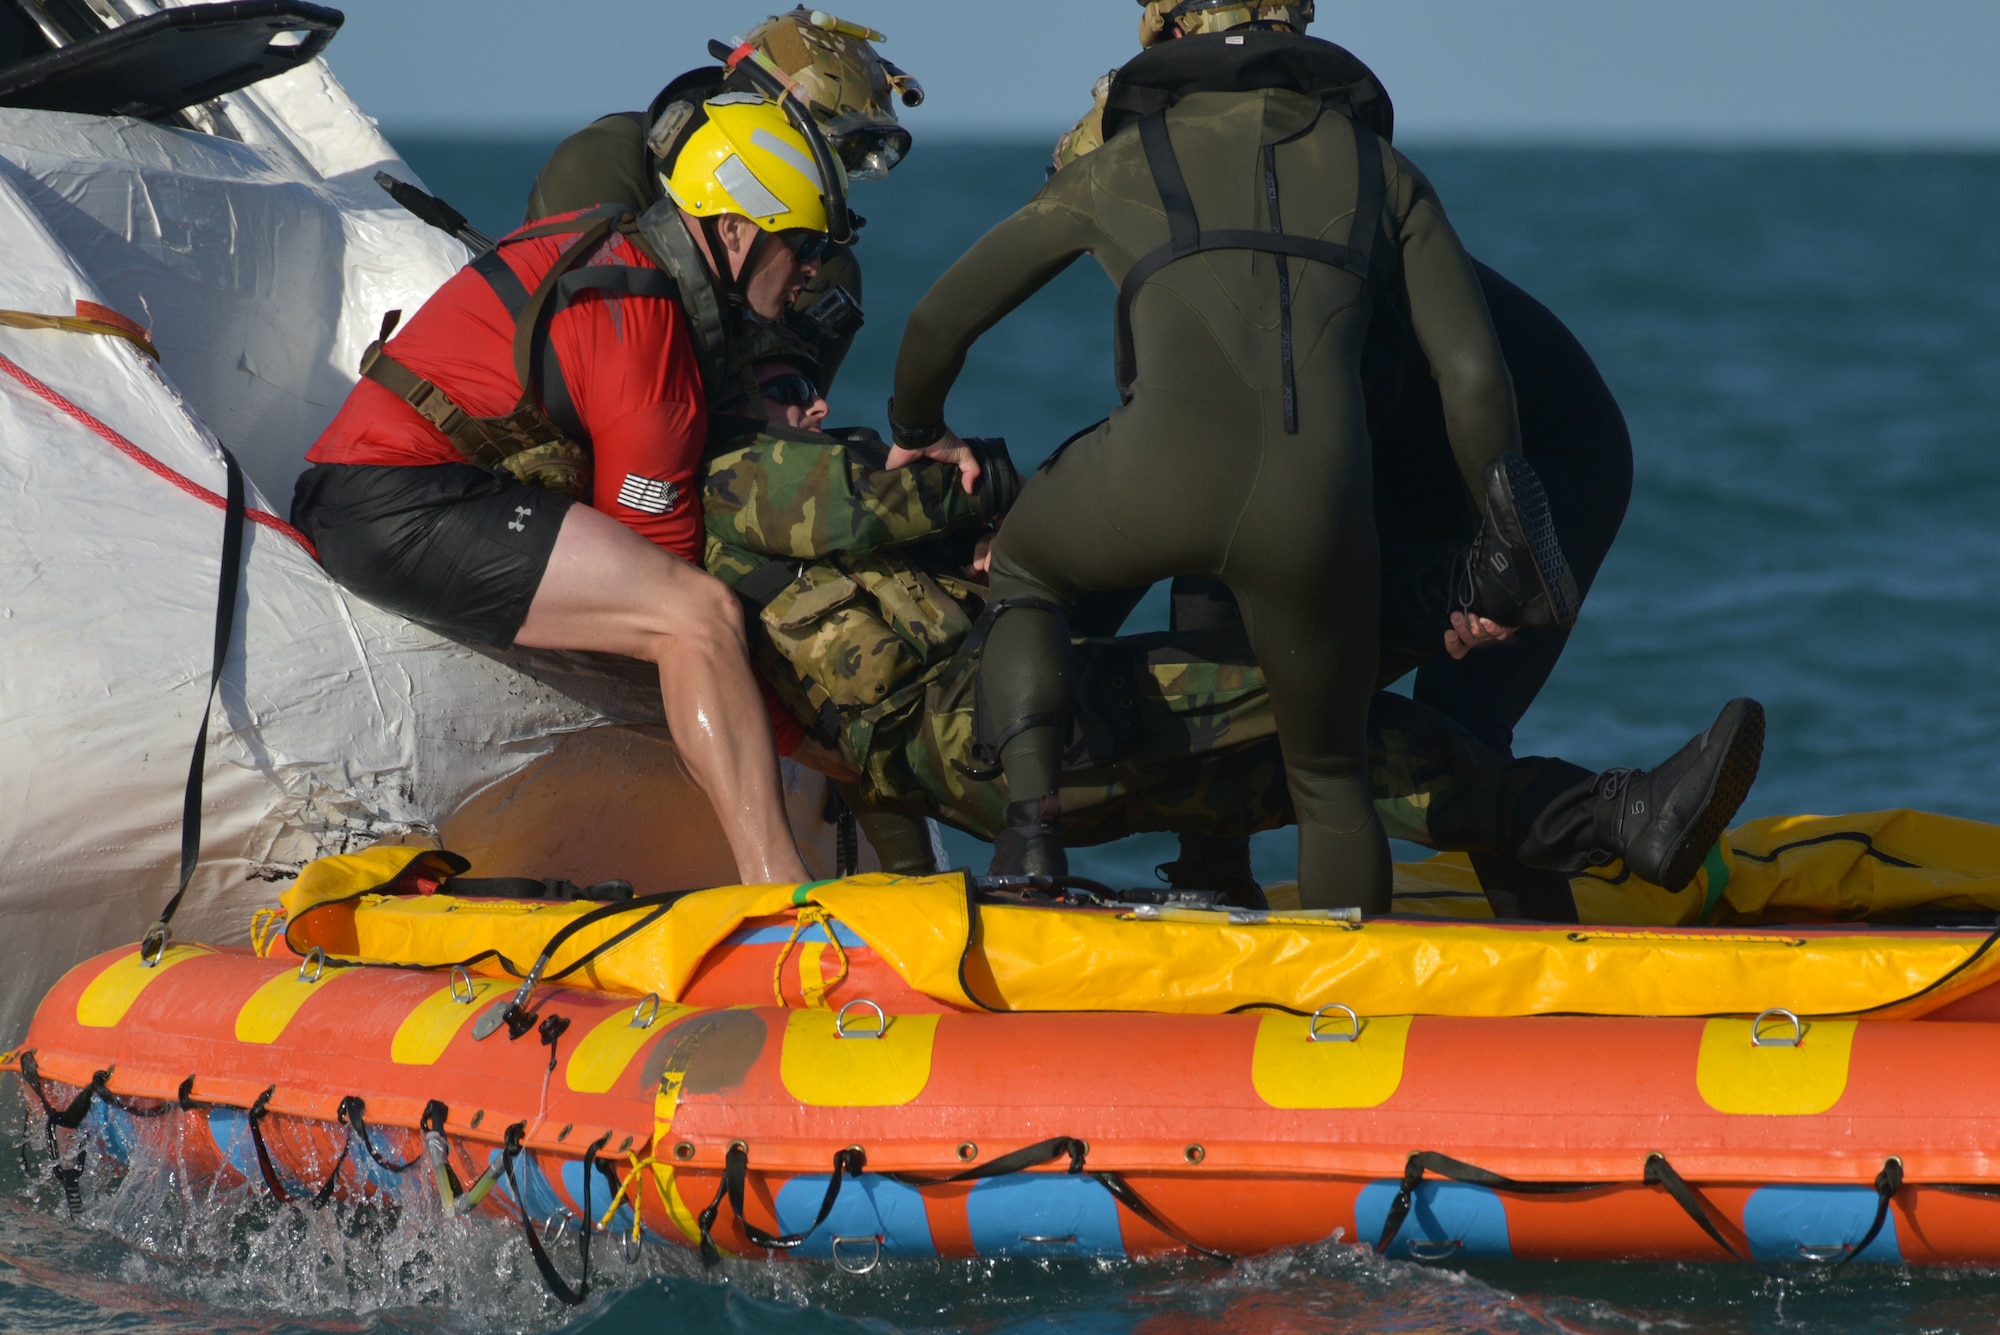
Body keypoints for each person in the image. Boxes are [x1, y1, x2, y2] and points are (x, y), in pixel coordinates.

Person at [886, 25, 1576, 913]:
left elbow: (940, 320)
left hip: (1150, 478)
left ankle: (1029, 839)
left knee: (1027, 571)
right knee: (1330, 777)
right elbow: (1475, 379)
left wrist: (920, 426)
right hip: (1319, 511)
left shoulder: (1119, 163)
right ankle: (1348, 1011)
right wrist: (1501, 542)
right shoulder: (1384, 172)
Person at [702, 362, 1763, 902]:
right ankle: (1452, 597)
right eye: (787, 386)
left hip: (1033, 740)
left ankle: (1619, 823)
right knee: (1294, 675)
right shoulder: (740, 476)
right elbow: (894, 499)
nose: (816, 403)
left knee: (1358, 752)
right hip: (1000, 728)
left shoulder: (809, 521)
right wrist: (988, 481)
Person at [1055, 0, 1634, 921]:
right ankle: (1217, 875)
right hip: (1412, 447)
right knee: (1228, 605)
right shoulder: (1204, 248)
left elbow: (1341, 439)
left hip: (1539, 454)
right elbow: (1167, 460)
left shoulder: (1286, 230)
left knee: (1456, 716)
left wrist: (1485, 573)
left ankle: (1545, 954)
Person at [291, 95, 848, 887]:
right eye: (804, 245)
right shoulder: (643, 320)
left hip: (381, 485)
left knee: (691, 612)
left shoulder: (623, 248)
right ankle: (783, 893)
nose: (815, 269)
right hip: (393, 501)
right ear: (732, 230)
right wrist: (806, 738)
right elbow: (666, 566)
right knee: (695, 616)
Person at [525, 7, 921, 394]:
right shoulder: (600, 167)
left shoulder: (823, 271)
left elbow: (791, 420)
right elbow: (585, 360)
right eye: (836, 151)